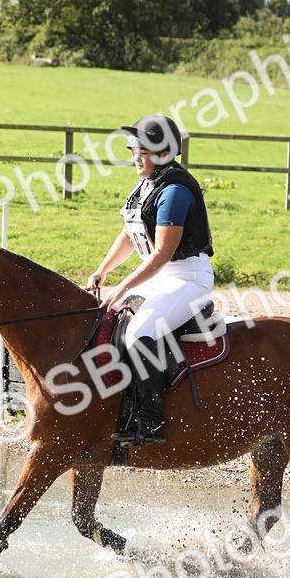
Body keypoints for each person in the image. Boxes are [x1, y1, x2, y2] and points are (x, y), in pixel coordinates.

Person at [87, 114, 215, 446]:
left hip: (187, 279)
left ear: (162, 153)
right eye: (133, 150)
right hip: (158, 276)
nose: (135, 158)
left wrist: (123, 287)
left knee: (140, 331)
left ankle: (150, 422)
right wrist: (103, 270)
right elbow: (130, 237)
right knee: (105, 318)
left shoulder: (174, 191)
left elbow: (159, 255)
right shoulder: (146, 185)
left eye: (141, 151)